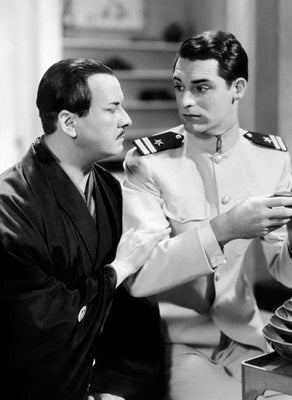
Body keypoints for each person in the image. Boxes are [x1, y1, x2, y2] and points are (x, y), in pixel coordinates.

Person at [122, 30, 292, 399]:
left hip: (246, 336)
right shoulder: (148, 162)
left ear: (237, 88)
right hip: (174, 345)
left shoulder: (271, 157)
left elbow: (287, 274)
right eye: (179, 87)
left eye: (201, 88)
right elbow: (139, 276)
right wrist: (224, 229)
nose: (185, 101)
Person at [0, 58, 169, 400]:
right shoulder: (10, 205)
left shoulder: (109, 188)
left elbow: (134, 315)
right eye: (112, 109)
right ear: (68, 122)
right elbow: (39, 322)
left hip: (109, 383)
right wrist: (118, 270)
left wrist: (114, 388)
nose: (126, 119)